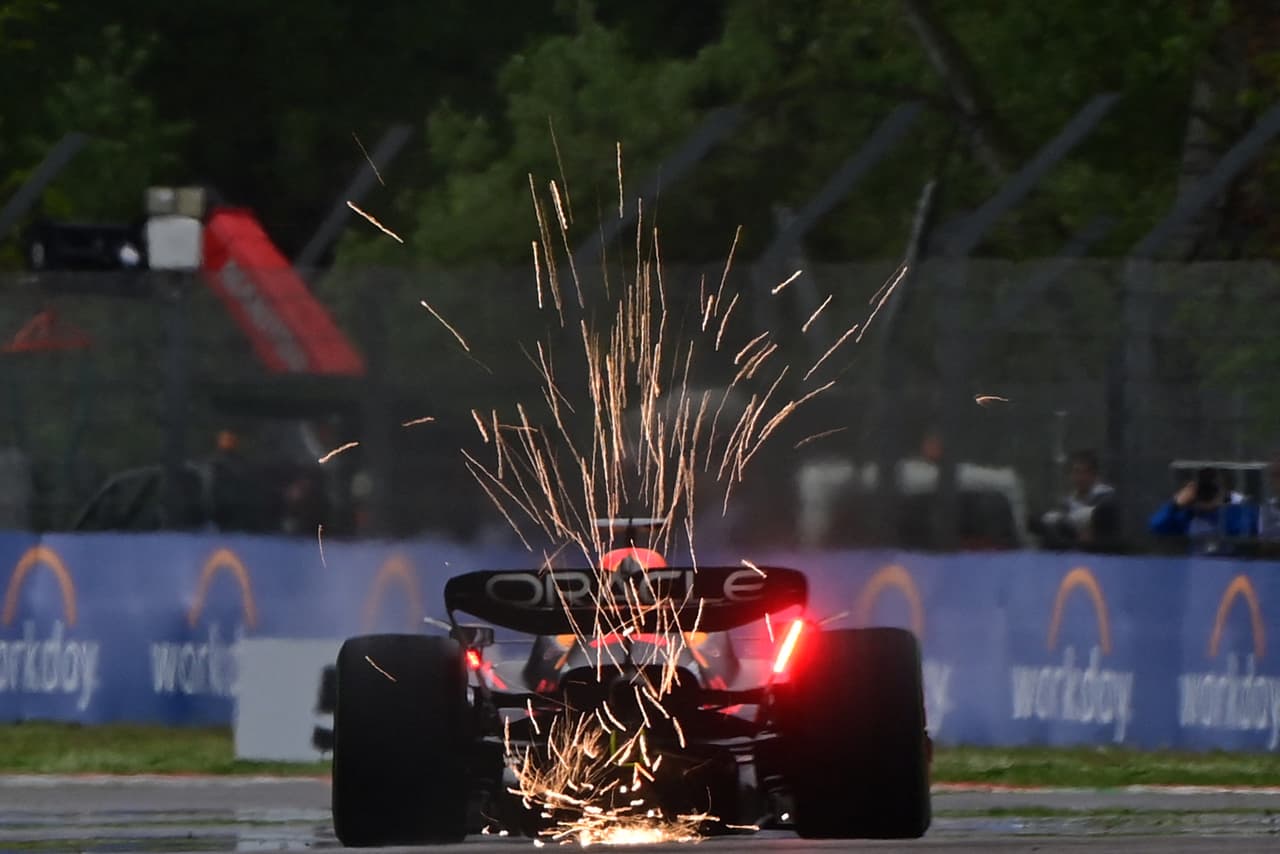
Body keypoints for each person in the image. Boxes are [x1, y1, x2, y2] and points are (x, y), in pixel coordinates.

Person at [1149, 466, 1258, 555]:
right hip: (1195, 569)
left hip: (1231, 571)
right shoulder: (1186, 516)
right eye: (1202, 488)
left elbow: (1250, 529)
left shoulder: (1239, 510)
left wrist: (1220, 506)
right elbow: (1156, 526)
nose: (1206, 492)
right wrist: (1175, 505)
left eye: (1211, 488)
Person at [1033, 450, 1120, 552]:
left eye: (1085, 472)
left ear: (1094, 475)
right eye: (1076, 472)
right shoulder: (1067, 503)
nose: (1080, 478)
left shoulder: (1107, 498)